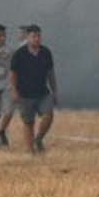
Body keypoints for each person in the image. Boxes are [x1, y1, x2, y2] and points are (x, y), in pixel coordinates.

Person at [9, 24, 57, 154]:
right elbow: (13, 74)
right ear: (27, 37)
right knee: (28, 123)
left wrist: (55, 91)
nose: (37, 39)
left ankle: (39, 138)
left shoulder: (46, 52)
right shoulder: (19, 54)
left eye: (39, 36)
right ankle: (31, 151)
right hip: (24, 94)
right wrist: (14, 90)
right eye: (34, 36)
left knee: (48, 115)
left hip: (42, 92)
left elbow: (51, 73)